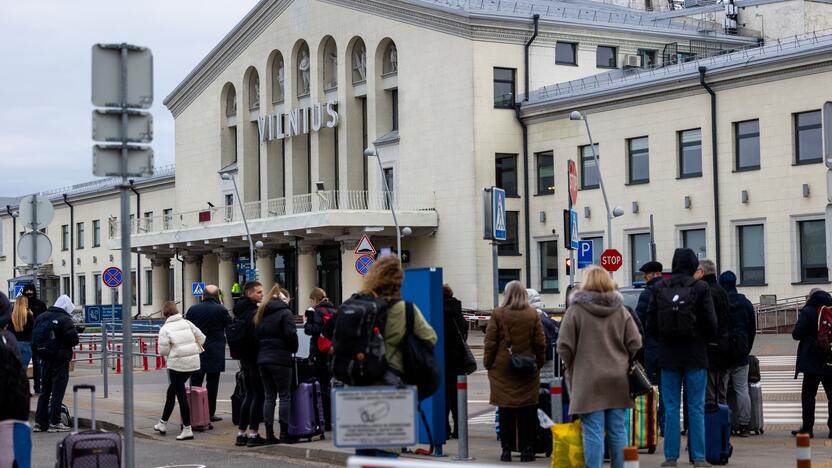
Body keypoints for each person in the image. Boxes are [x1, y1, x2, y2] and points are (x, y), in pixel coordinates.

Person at [557, 267, 642, 468]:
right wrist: (622, 359)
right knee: (618, 430)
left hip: (587, 380)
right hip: (618, 378)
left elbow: (564, 346)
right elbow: (636, 342)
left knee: (593, 431)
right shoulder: (621, 310)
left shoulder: (576, 310)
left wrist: (572, 365)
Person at [647, 248, 717, 467]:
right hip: (695, 355)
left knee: (671, 405)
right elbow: (711, 323)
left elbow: (650, 324)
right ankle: (698, 457)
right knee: (695, 406)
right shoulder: (701, 287)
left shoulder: (660, 288)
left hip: (668, 356)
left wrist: (664, 340)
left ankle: (670, 457)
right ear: (694, 265)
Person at [484, 281, 545, 463]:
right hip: (527, 370)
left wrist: (488, 364)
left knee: (505, 411)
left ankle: (506, 450)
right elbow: (540, 343)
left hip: (502, 369)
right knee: (527, 410)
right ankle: (527, 450)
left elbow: (490, 342)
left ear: (507, 294)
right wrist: (539, 363)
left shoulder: (498, 313)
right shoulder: (532, 314)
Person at [154, 301, 206, 441]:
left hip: (177, 365)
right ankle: (162, 423)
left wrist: (176, 351)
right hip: (193, 363)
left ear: (165, 314)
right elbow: (202, 338)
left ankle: (187, 428)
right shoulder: (187, 323)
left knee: (180, 395)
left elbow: (163, 351)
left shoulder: (165, 329)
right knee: (172, 392)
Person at [255, 285, 298, 444]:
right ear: (284, 299)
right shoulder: (285, 313)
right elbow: (291, 335)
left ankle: (269, 434)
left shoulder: (261, 313)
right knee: (285, 395)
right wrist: (293, 349)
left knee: (269, 396)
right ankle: (285, 433)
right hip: (280, 358)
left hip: (263, 358)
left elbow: (256, 335)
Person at [32, 295, 80, 433]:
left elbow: (35, 337)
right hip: (60, 358)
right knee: (58, 390)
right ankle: (55, 421)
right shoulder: (65, 319)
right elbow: (73, 340)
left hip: (45, 357)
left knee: (44, 390)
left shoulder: (41, 317)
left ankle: (39, 423)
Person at [718, 271, 755, 437]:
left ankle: (724, 423)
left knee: (721, 391)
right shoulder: (745, 303)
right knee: (742, 390)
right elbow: (752, 329)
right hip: (741, 353)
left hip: (723, 353)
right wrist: (747, 348)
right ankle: (745, 424)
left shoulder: (719, 302)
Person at [186, 285, 231, 422]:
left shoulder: (193, 310)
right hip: (215, 351)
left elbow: (188, 328)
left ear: (202, 296)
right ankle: (210, 413)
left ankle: (194, 412)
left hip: (197, 349)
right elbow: (229, 326)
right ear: (218, 296)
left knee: (195, 381)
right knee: (212, 382)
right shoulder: (221, 310)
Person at [791, 288, 832, 438]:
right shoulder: (831, 309)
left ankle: (808, 428)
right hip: (829, 359)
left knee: (808, 395)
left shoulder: (807, 311)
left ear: (810, 297)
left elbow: (797, 334)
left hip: (811, 361)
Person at [232, 281, 266, 447]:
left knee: (249, 395)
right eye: (259, 292)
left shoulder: (239, 311)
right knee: (258, 395)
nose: (262, 294)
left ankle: (241, 433)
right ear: (250, 293)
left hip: (244, 358)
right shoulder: (253, 312)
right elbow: (257, 335)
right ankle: (253, 434)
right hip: (255, 357)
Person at [695, 259, 731, 406]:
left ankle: (713, 427)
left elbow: (707, 322)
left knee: (710, 394)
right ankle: (723, 426)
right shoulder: (721, 290)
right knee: (721, 392)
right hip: (723, 347)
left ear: (702, 272)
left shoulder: (706, 291)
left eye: (696, 270)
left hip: (711, 349)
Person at [304, 287, 336, 432]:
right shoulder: (334, 311)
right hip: (331, 352)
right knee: (327, 385)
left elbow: (312, 330)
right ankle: (330, 419)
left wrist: (307, 322)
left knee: (320, 387)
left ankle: (324, 421)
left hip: (320, 353)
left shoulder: (316, 312)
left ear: (314, 299)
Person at [1, 291, 30, 423]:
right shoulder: (6, 340)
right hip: (26, 344)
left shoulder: (14, 316)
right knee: (21, 369)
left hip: (18, 342)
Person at [444, 284, 468, 439]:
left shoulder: (438, 310)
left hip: (443, 359)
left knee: (444, 397)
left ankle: (444, 429)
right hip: (459, 360)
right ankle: (459, 430)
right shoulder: (457, 309)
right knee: (457, 397)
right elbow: (464, 331)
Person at [635, 261, 663, 382]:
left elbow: (638, 321)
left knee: (652, 385)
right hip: (669, 348)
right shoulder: (670, 289)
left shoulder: (647, 294)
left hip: (651, 346)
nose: (645, 276)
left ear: (656, 274)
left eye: (647, 273)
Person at [528, 288, 559, 387]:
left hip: (542, 371)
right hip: (549, 368)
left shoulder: (535, 319)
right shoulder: (543, 316)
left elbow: (543, 345)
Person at [21, 284, 46, 394]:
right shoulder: (20, 305)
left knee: (37, 363)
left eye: (31, 290)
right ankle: (23, 388)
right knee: (23, 364)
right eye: (27, 290)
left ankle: (38, 387)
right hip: (24, 338)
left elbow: (44, 320)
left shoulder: (40, 304)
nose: (29, 293)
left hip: (36, 337)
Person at [10, 295, 34, 377]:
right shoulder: (29, 316)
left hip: (13, 345)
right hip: (26, 345)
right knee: (22, 371)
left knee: (13, 370)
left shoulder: (11, 317)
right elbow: (32, 330)